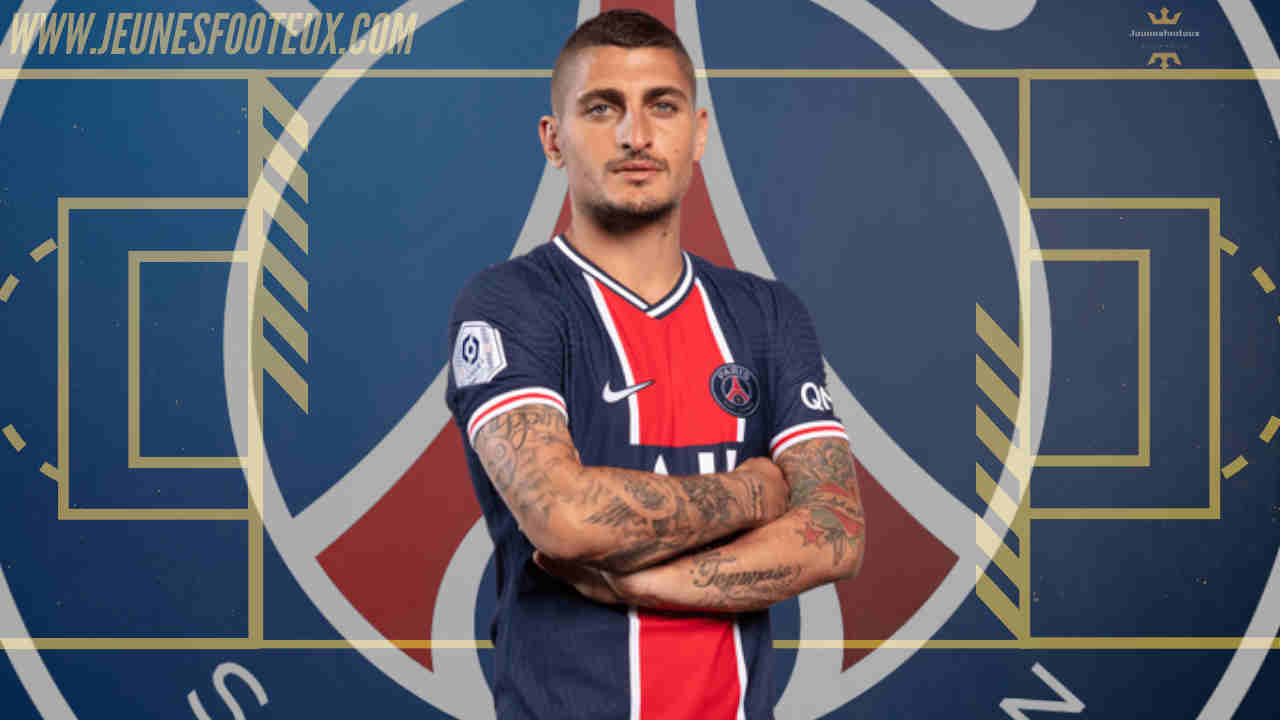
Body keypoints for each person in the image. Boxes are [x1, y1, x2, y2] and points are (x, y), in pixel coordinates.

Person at [445, 9, 866, 719]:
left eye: (661, 106)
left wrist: (645, 586)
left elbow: (836, 534)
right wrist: (755, 493)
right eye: (602, 108)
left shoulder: (767, 313)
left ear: (698, 133)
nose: (635, 135)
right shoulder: (511, 303)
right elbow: (564, 517)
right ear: (553, 139)